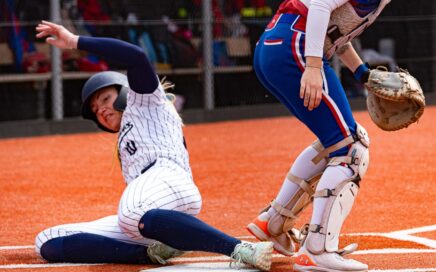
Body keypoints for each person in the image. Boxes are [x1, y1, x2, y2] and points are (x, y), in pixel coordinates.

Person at [34, 20, 273, 271]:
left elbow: (136, 56)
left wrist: (74, 41)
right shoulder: (124, 136)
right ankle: (149, 253)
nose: (101, 109)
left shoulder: (145, 101)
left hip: (167, 180)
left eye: (105, 98)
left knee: (131, 211)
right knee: (47, 240)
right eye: (95, 110)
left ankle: (240, 249)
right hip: (148, 211)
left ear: (125, 91)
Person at [246, 0, 389, 271]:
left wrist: (364, 74)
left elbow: (334, 31)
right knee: (351, 149)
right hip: (295, 48)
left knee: (338, 141)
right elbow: (320, 6)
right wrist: (312, 66)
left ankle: (273, 221)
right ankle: (317, 249)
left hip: (276, 47)